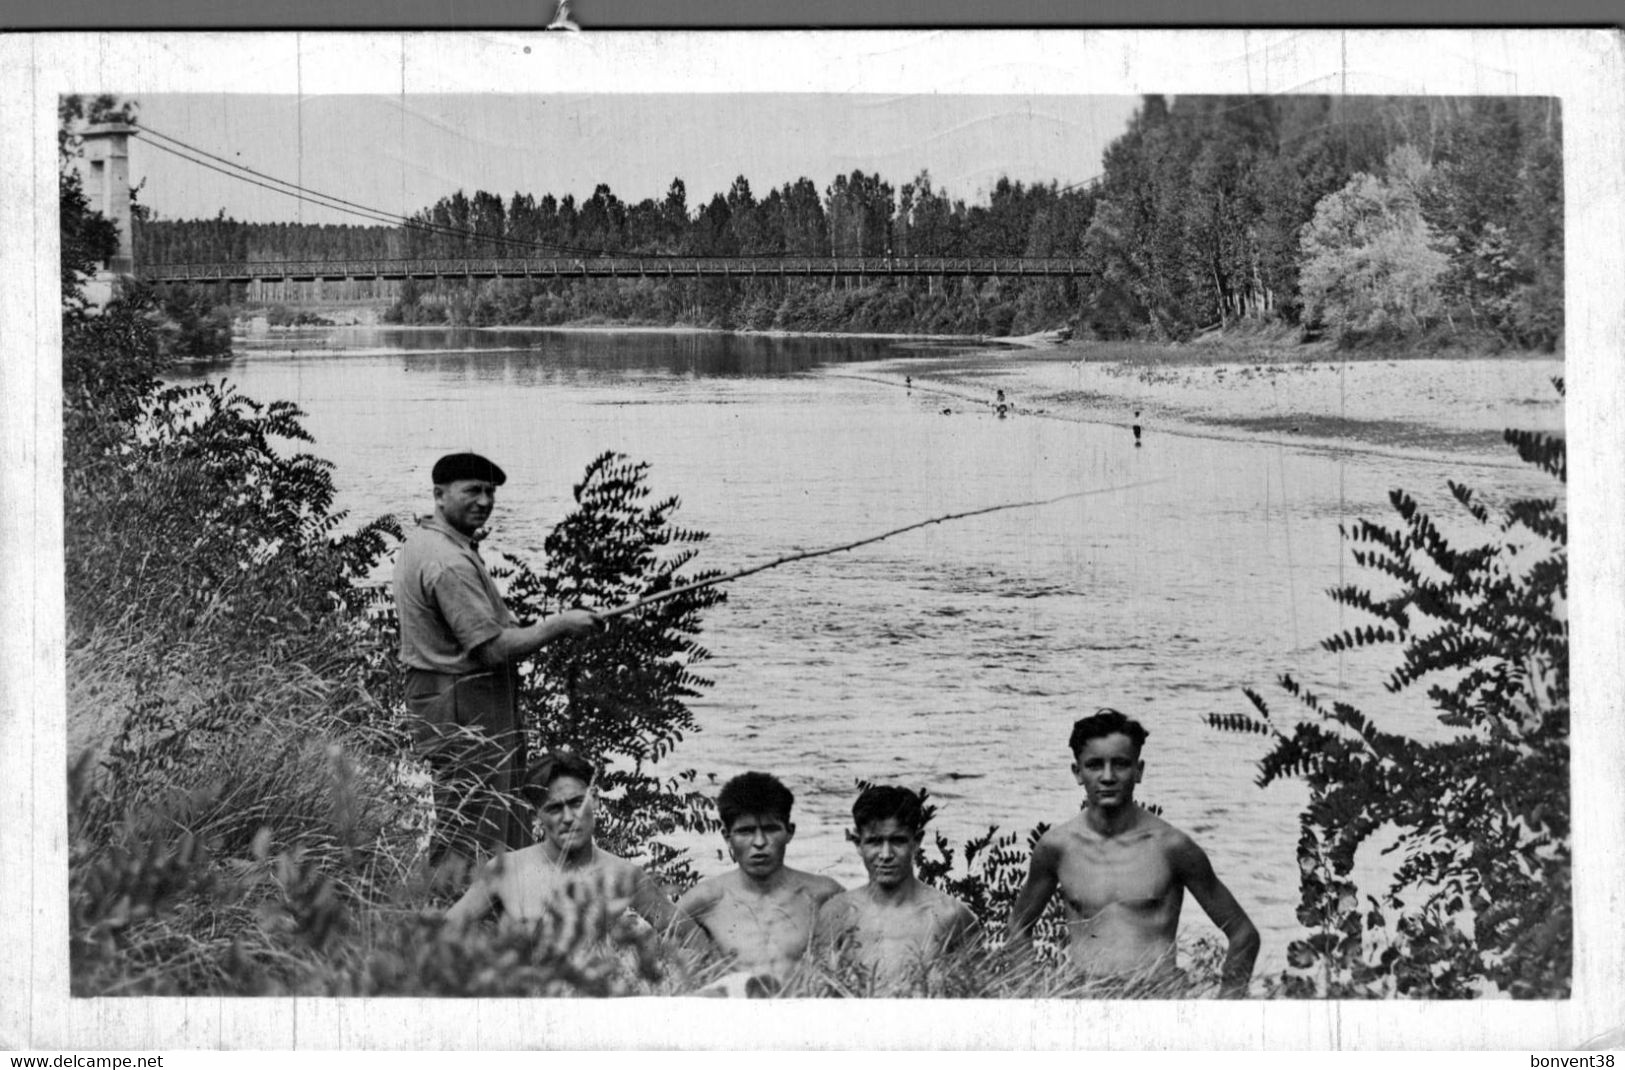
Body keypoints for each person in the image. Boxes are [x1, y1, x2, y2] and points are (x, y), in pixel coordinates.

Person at [392, 451, 602, 863]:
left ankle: (479, 913)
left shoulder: (429, 542)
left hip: (448, 697)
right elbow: (491, 650)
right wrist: (558, 624)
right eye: (472, 490)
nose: (484, 502)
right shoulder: (448, 561)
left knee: (480, 814)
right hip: (462, 703)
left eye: (490, 492)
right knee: (475, 823)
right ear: (439, 494)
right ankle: (457, 915)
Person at [1006, 708, 1260, 997]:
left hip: (1158, 1004)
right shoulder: (1057, 847)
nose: (1108, 776)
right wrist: (1030, 997)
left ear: (1138, 770)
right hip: (1084, 1001)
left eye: (1121, 764)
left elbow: (1243, 934)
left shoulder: (1171, 847)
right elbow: (1018, 927)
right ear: (1077, 772)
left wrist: (1230, 1006)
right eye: (1094, 765)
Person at [444, 751, 677, 937]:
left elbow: (688, 937)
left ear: (594, 799)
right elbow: (440, 935)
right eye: (554, 808)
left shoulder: (624, 875)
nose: (568, 818)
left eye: (576, 803)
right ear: (536, 815)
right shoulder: (506, 870)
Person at [672, 772, 843, 987]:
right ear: (727, 836)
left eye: (771, 829)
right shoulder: (706, 899)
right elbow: (658, 960)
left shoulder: (823, 894)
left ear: (789, 832)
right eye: (746, 831)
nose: (760, 842)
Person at [812, 785, 978, 993]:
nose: (886, 854)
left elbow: (979, 996)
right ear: (857, 843)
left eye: (897, 841)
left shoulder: (950, 916)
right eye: (874, 841)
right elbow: (818, 996)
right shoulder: (836, 913)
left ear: (916, 841)